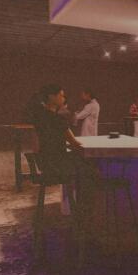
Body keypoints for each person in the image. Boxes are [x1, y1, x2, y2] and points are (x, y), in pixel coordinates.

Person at [29, 83, 99, 216]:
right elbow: (75, 144)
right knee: (91, 170)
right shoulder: (57, 119)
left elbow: (39, 143)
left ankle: (77, 209)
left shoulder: (39, 117)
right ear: (51, 97)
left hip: (46, 164)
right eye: (61, 95)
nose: (64, 98)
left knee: (83, 166)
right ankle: (85, 212)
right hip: (58, 166)